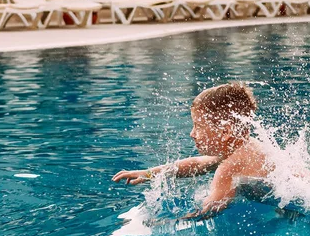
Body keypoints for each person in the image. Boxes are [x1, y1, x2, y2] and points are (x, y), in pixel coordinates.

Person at [112, 83, 271, 219]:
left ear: (225, 132)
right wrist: (148, 173)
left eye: (198, 126)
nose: (192, 133)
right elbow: (197, 164)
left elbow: (213, 208)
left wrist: (173, 222)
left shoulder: (228, 169)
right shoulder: (246, 147)